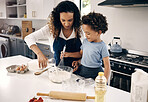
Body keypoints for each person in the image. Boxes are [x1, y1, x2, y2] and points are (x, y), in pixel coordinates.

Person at [24, 1, 83, 69]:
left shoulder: (81, 29)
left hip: (77, 69)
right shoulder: (51, 29)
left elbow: (87, 52)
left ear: (75, 18)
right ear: (58, 18)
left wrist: (79, 61)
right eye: (63, 20)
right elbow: (29, 38)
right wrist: (39, 54)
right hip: (58, 69)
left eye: (70, 20)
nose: (66, 24)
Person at [72, 12, 111, 81]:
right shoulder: (85, 41)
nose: (86, 35)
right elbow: (84, 56)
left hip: (96, 73)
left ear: (99, 32)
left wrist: (104, 82)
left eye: (88, 33)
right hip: (83, 71)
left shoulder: (102, 46)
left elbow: (107, 66)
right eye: (85, 33)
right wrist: (78, 62)